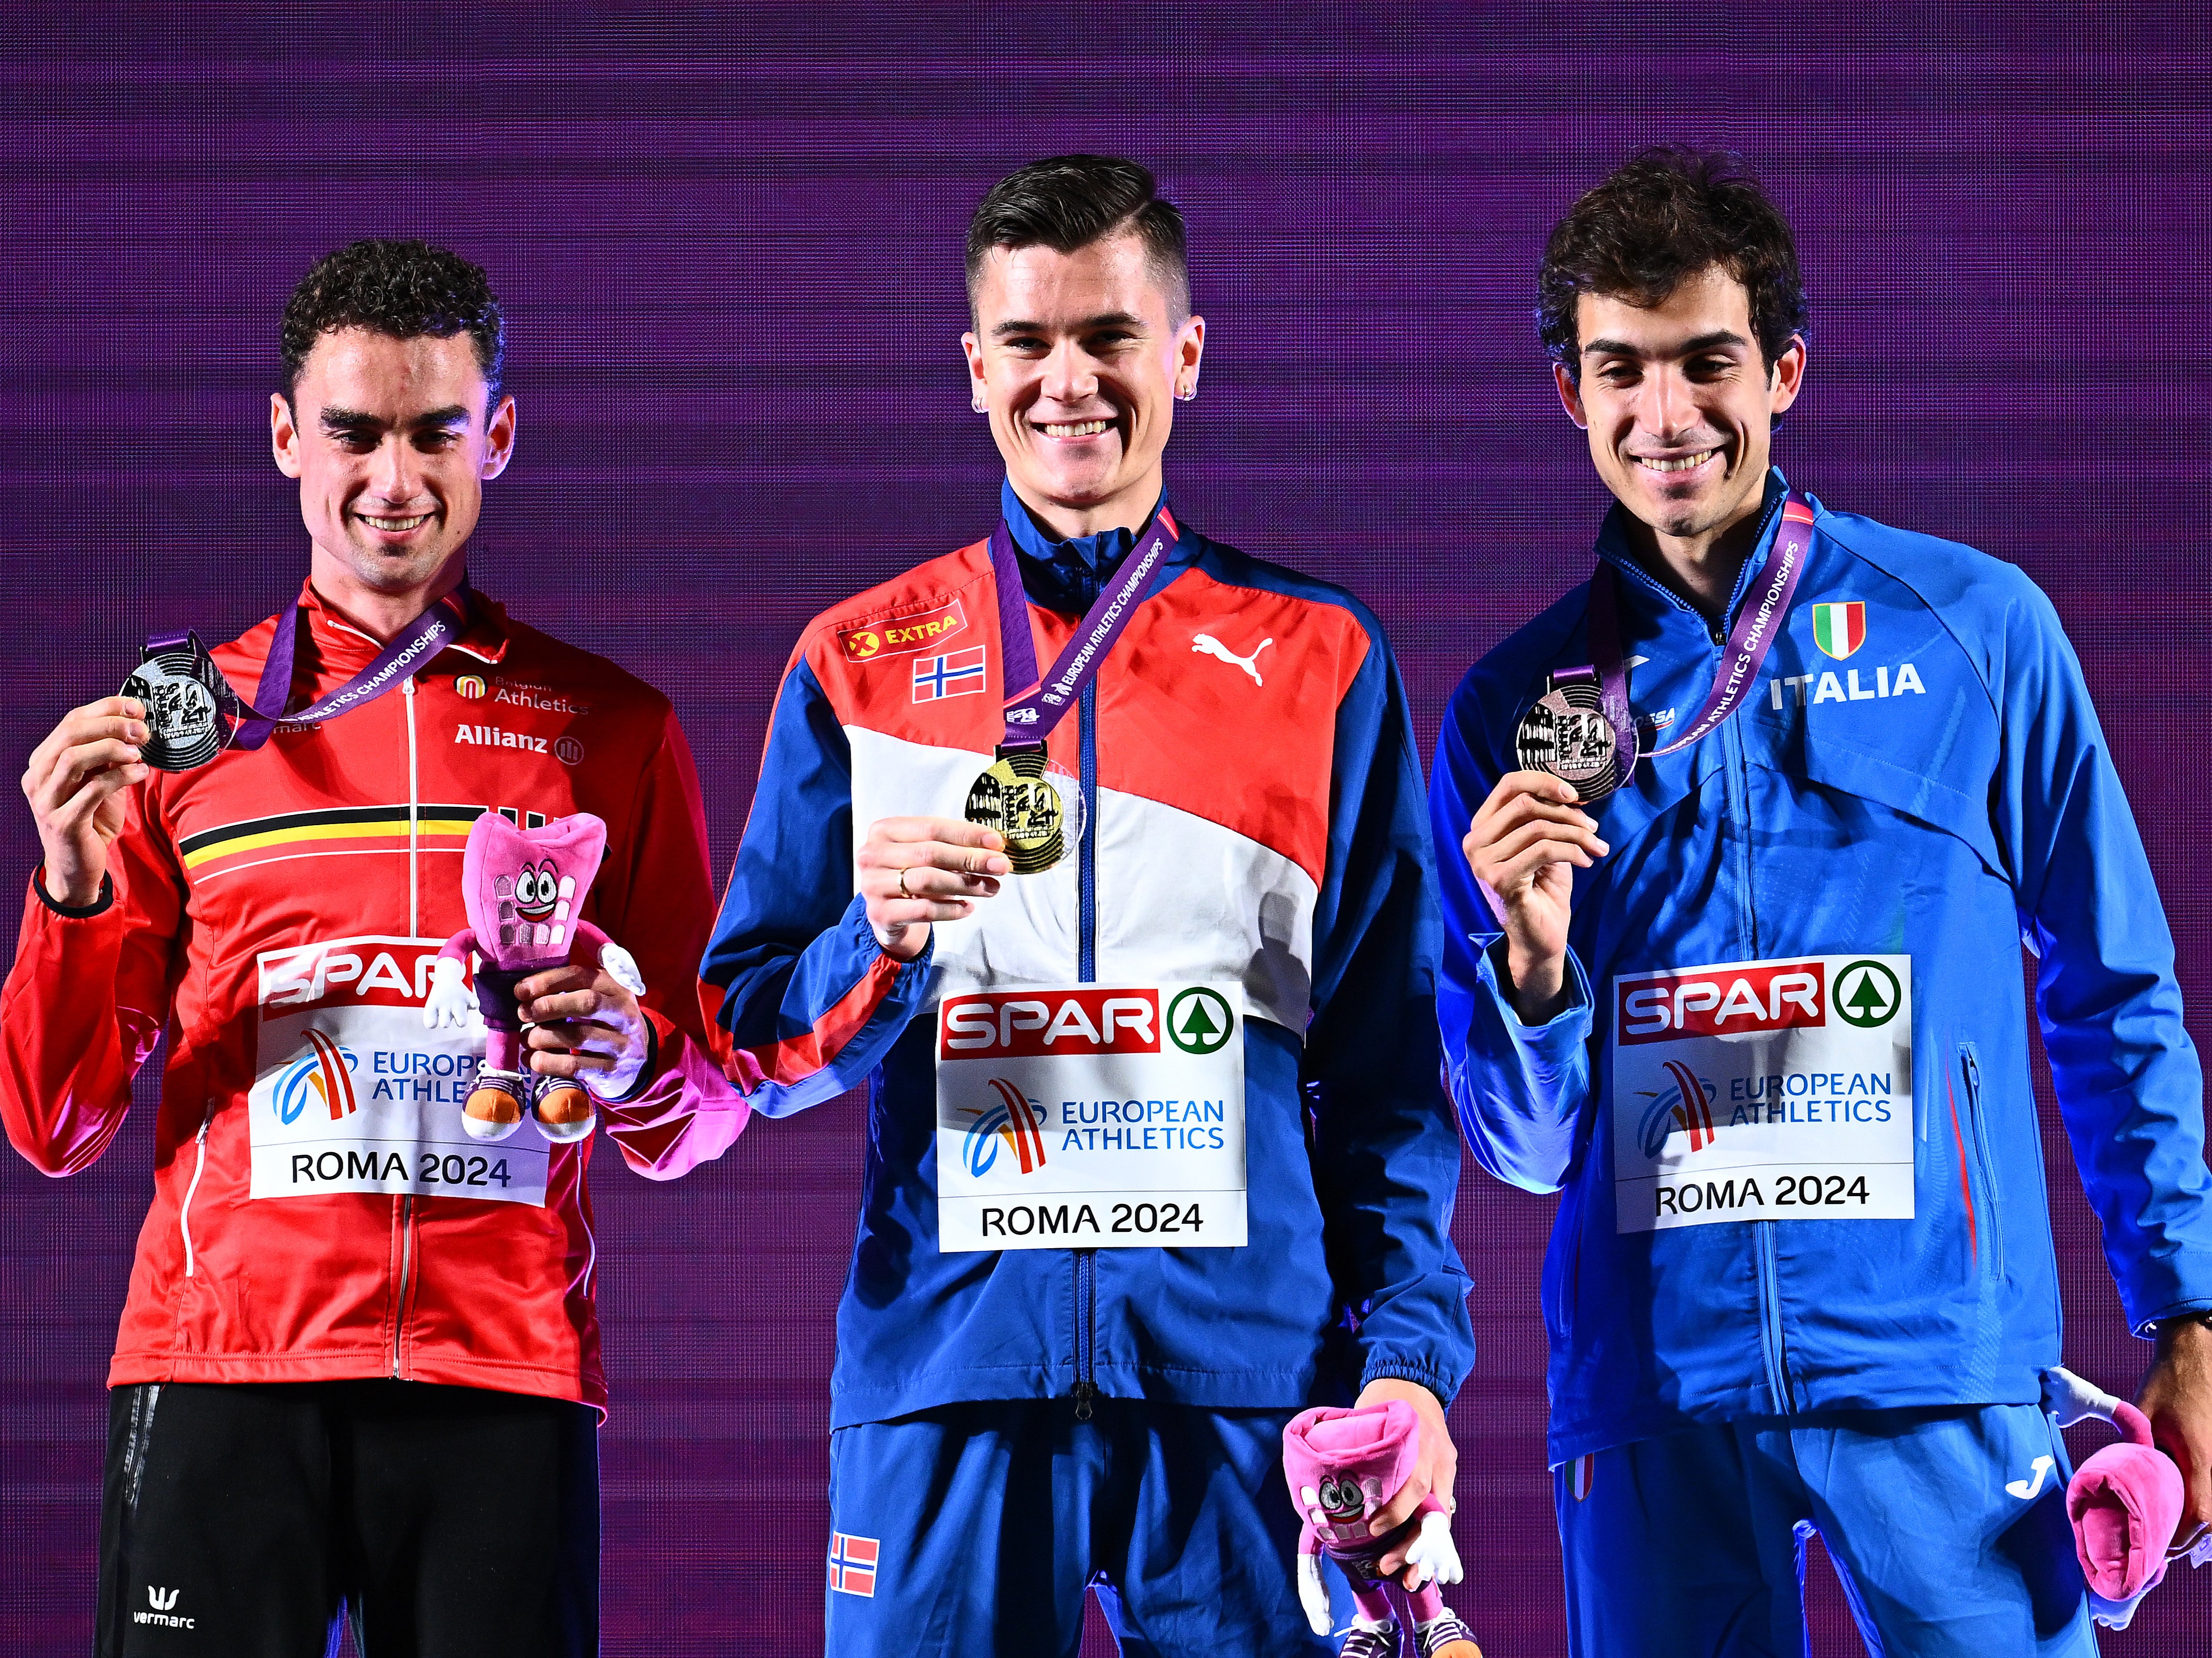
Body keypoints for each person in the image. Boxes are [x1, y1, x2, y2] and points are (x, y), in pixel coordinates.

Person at [1430, 145, 2212, 1655]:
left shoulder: (1975, 628)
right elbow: (1524, 1158)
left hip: (1936, 1372)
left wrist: (2190, 1315)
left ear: (1783, 370)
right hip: (1655, 1399)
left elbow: (2113, 990)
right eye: (1621, 372)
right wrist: (1528, 966)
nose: (1665, 418)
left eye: (1705, 363)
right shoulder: (1511, 710)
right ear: (1569, 395)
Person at [699, 155, 1477, 1658]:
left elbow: (1387, 1082)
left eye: (1110, 337)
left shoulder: (1320, 656)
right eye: (1031, 342)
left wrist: (1408, 1368)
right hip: (948, 1383)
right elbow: (743, 1044)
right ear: (974, 365)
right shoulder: (855, 660)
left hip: (1250, 1391)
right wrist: (880, 943)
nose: (1070, 381)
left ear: (1182, 354)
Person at [5, 238, 745, 1656]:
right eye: (353, 431)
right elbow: (52, 1121)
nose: (393, 479)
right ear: (287, 434)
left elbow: (695, 1114)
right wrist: (68, 883)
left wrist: (635, 1050)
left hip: (502, 1371)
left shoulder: (614, 728)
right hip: (224, 1369)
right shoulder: (178, 731)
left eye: (434, 432)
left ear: (499, 436)